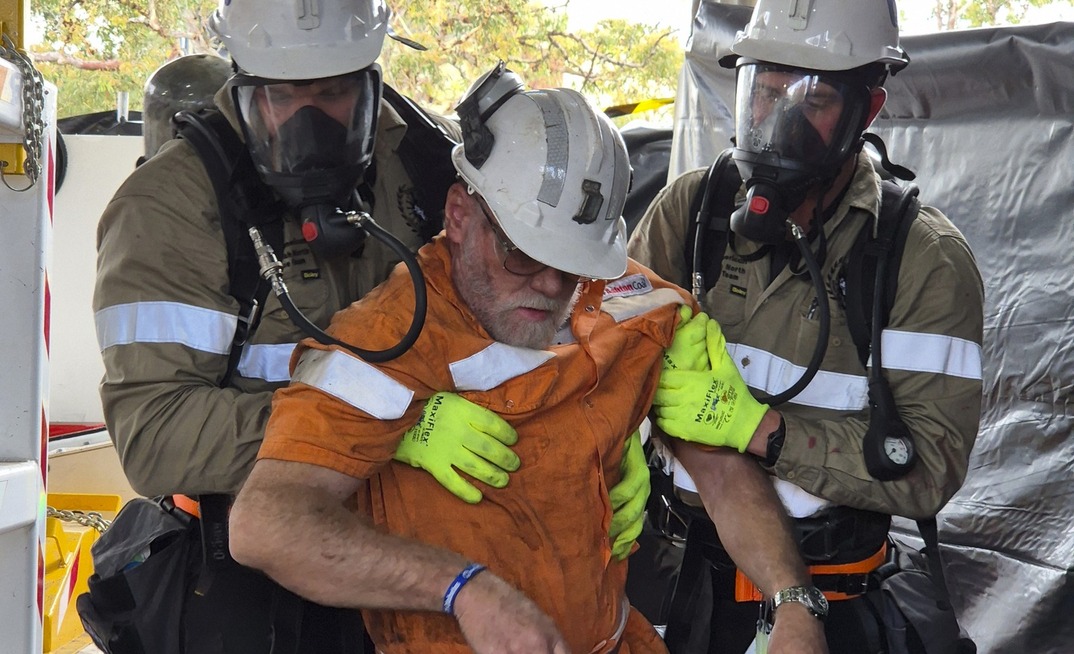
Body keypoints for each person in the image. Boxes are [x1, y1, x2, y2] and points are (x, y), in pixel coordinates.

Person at [227, 66, 826, 654]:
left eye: (571, 263)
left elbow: (720, 470)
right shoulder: (389, 339)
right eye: (520, 253)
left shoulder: (632, 303)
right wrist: (464, 589)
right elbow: (267, 522)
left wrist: (794, 602)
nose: (547, 283)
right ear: (460, 215)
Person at [90, 1, 573, 652]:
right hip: (244, 576)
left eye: (335, 92)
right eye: (284, 96)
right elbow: (155, 439)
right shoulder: (171, 210)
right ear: (243, 83)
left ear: (371, 80)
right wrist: (378, 429)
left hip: (414, 561)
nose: (310, 119)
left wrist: (590, 439)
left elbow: (520, 311)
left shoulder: (426, 166)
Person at [631, 0, 985, 652]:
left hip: (834, 600)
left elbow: (931, 464)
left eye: (811, 99)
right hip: (674, 583)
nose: (776, 120)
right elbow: (604, 368)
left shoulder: (921, 258)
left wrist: (763, 432)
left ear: (867, 111)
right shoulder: (689, 211)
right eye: (763, 92)